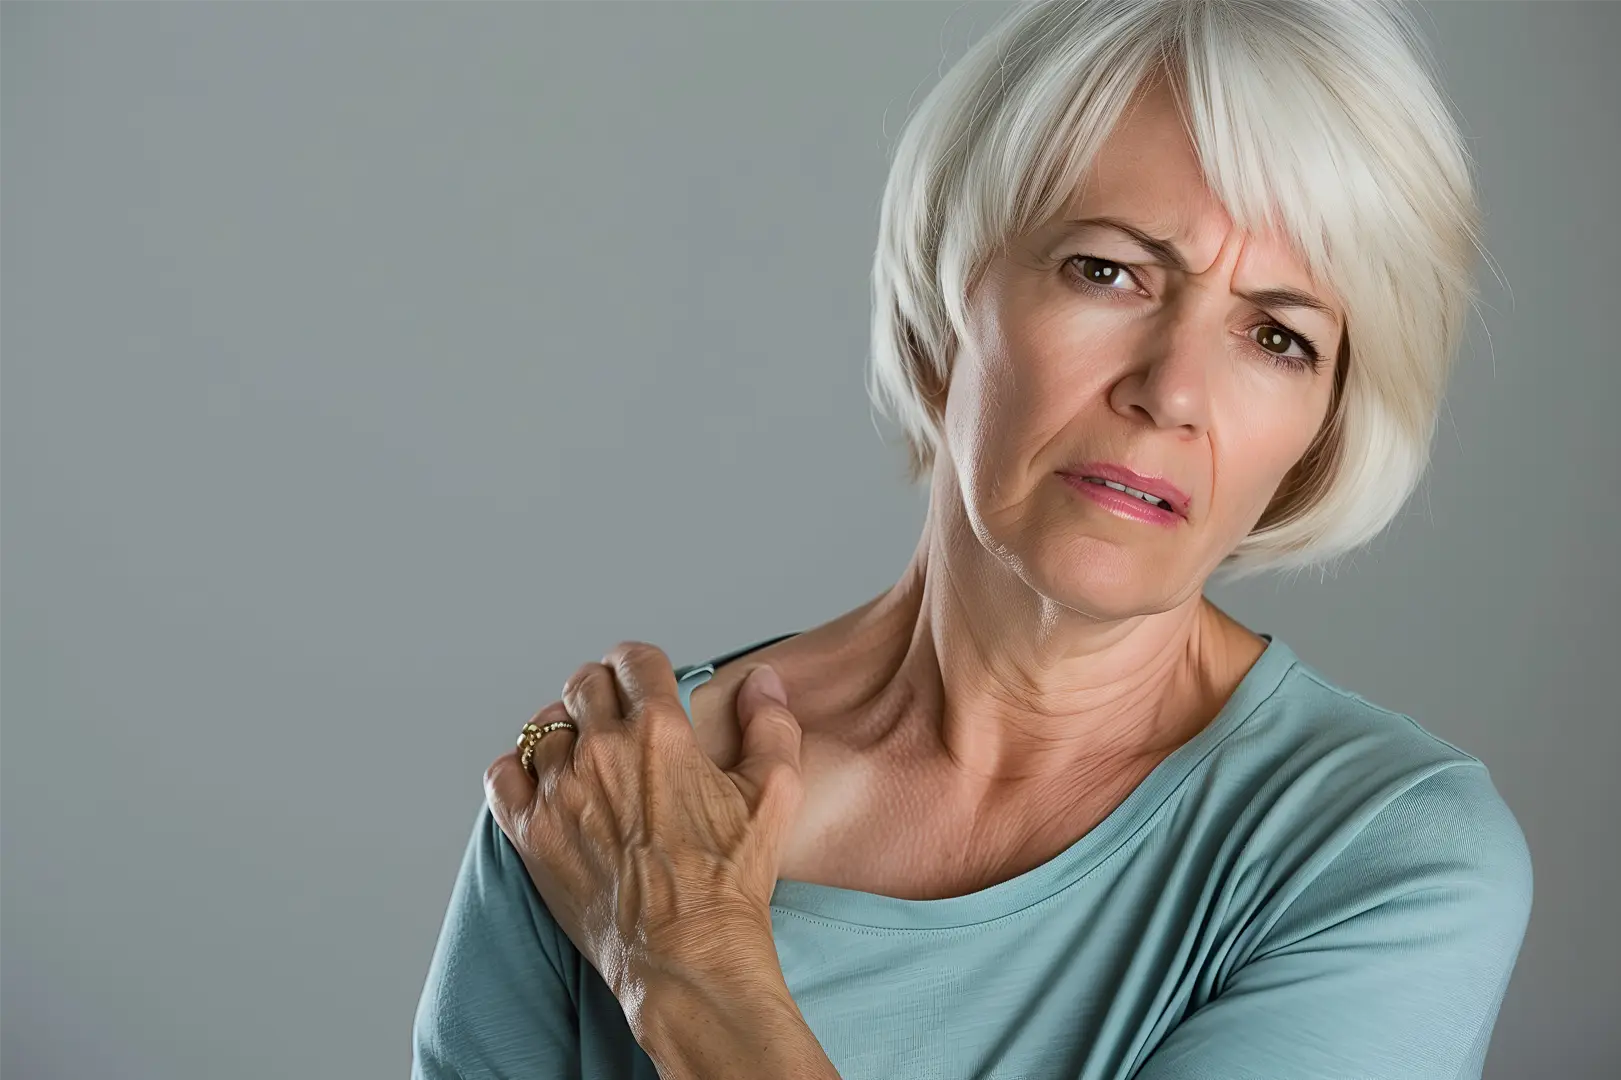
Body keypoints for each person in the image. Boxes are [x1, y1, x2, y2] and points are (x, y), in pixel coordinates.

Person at [412, 0, 1533, 1076]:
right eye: (1109, 270)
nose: (1173, 391)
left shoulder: (1387, 856)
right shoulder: (613, 787)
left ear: (1323, 430)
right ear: (951, 296)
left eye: (1277, 337)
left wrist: (690, 959)